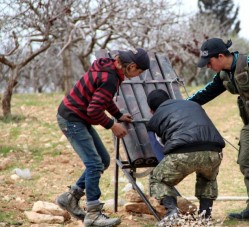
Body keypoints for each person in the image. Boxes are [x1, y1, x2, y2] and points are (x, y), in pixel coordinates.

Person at [188, 38, 249, 226]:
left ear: (220, 56)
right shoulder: (224, 74)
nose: (208, 66)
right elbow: (206, 92)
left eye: (209, 62)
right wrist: (181, 106)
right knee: (246, 161)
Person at [55, 48, 150, 227]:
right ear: (131, 66)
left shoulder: (109, 70)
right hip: (71, 118)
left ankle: (70, 198)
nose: (138, 75)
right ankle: (93, 213)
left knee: (104, 160)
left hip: (77, 117)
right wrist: (112, 125)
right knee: (94, 164)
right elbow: (94, 110)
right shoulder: (110, 78)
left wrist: (119, 115)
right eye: (139, 71)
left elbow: (103, 99)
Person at [146, 89, 225, 222]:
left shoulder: (154, 119)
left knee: (158, 179)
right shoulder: (193, 104)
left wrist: (164, 166)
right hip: (214, 151)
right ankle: (205, 216)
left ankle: (172, 214)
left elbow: (158, 150)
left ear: (151, 110)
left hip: (183, 152)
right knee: (208, 178)